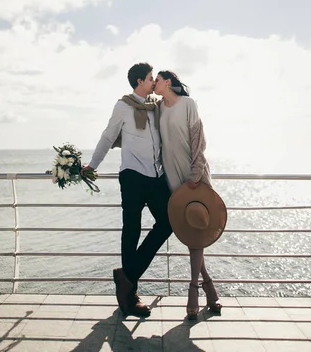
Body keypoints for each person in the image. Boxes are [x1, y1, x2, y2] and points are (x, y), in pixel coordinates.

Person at [82, 62, 172, 318]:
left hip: (156, 176)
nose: (154, 81)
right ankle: (130, 294)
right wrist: (92, 165)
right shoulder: (123, 106)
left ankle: (126, 275)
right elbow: (108, 136)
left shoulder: (156, 106)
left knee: (168, 222)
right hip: (132, 175)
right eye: (150, 78)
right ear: (139, 82)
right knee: (131, 231)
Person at [154, 70, 222, 319]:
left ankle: (193, 289)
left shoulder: (188, 104)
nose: (154, 84)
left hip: (195, 176)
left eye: (157, 80)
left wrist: (195, 174)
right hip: (173, 178)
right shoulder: (158, 108)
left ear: (168, 82)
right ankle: (209, 287)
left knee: (198, 231)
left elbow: (199, 142)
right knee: (191, 231)